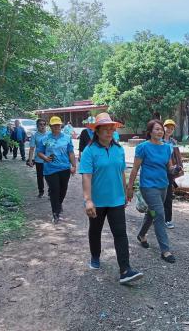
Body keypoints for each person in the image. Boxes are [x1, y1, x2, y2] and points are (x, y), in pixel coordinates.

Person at [79, 112, 143, 284]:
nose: (109, 132)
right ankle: (95, 256)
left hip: (116, 199)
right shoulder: (89, 151)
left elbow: (121, 172)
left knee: (120, 234)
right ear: (97, 131)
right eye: (105, 129)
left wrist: (125, 191)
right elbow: (86, 176)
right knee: (95, 230)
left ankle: (125, 270)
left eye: (111, 128)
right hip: (97, 201)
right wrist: (88, 200)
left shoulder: (119, 150)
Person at [127, 120, 176, 264]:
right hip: (148, 187)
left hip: (163, 186)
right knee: (160, 215)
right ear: (150, 132)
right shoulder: (143, 147)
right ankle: (165, 250)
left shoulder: (167, 148)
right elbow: (135, 169)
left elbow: (169, 167)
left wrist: (175, 169)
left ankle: (141, 235)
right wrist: (130, 187)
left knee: (152, 212)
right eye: (156, 129)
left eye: (161, 129)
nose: (160, 132)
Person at [37, 116, 76, 224]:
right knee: (54, 190)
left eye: (58, 125)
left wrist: (74, 166)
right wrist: (45, 158)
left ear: (61, 125)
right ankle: (55, 212)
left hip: (64, 168)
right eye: (54, 125)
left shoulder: (67, 138)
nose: (57, 127)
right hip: (50, 169)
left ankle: (58, 204)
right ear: (50, 126)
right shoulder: (44, 139)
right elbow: (39, 152)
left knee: (63, 190)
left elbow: (71, 153)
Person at [162, 119, 183, 229]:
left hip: (169, 171)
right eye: (167, 127)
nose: (169, 130)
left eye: (172, 128)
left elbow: (177, 156)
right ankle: (154, 218)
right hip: (159, 170)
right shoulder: (158, 140)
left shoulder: (173, 142)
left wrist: (179, 168)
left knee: (168, 195)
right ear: (163, 128)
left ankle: (168, 220)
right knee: (157, 195)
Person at [27, 119, 49, 198]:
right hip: (39, 160)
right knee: (40, 177)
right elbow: (32, 148)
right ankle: (41, 191)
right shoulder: (35, 135)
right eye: (40, 124)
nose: (42, 126)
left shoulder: (49, 134)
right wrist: (30, 160)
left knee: (49, 176)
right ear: (37, 126)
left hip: (49, 159)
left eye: (44, 124)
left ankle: (50, 191)